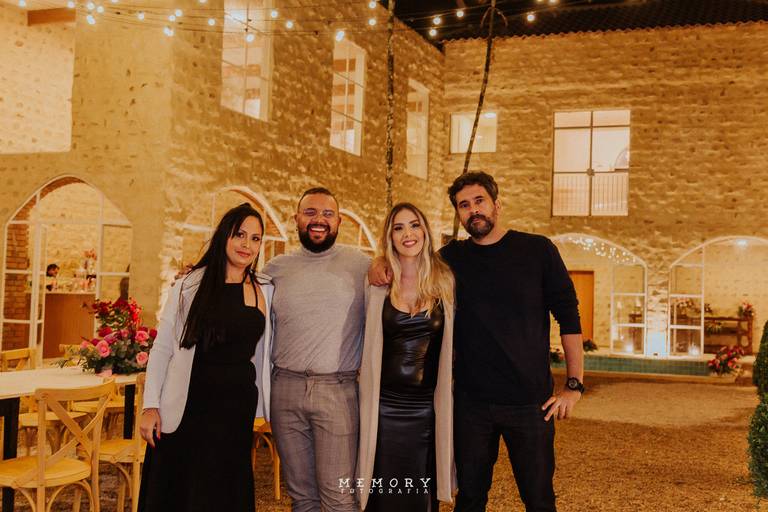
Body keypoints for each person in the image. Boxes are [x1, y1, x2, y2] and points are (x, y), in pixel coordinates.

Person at [370, 172, 584, 512]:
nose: (473, 210)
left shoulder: (537, 250)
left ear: (497, 204)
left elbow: (569, 317)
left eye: (479, 201)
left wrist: (573, 385)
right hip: (471, 404)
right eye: (464, 205)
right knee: (469, 499)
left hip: (530, 403)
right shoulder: (450, 260)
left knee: (539, 500)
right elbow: (411, 259)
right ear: (459, 213)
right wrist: (380, 261)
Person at [139, 203, 274, 512]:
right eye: (240, 234)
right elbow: (163, 348)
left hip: (236, 409)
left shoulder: (264, 289)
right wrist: (150, 406)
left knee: (223, 490)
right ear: (224, 235)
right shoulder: (189, 285)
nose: (247, 244)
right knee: (184, 491)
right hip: (189, 405)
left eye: (255, 238)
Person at [264, 187, 370, 512]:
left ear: (339, 221)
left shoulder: (362, 265)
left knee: (339, 497)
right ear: (296, 218)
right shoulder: (274, 269)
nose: (318, 220)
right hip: (285, 389)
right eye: (310, 212)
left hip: (337, 391)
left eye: (327, 214)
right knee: (302, 498)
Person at [357, 203, 456, 512]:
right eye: (398, 228)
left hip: (426, 408)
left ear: (425, 231)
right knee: (382, 493)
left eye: (414, 225)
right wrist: (377, 262)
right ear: (390, 236)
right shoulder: (378, 282)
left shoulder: (445, 280)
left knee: (420, 493)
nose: (407, 234)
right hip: (383, 407)